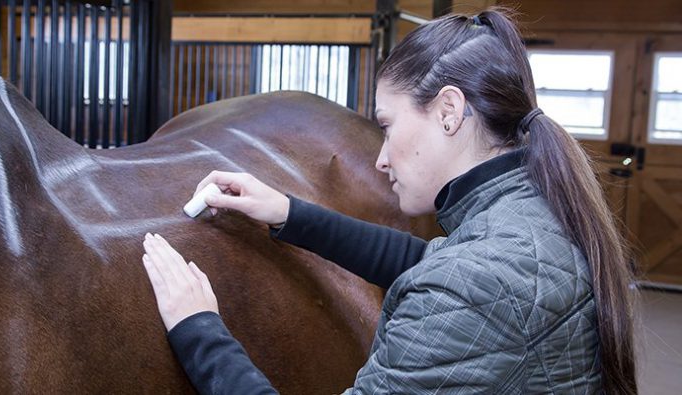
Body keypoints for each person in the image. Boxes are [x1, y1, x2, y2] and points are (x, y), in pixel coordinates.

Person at [140, 7, 637, 394]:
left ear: (448, 111)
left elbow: (454, 283)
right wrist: (289, 213)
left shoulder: (479, 286)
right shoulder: (531, 211)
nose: (380, 159)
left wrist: (197, 327)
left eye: (387, 125)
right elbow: (427, 262)